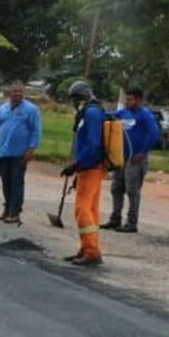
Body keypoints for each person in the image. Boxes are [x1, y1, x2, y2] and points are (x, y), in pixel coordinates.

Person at [102, 86, 160, 233]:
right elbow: (110, 116)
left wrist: (142, 152)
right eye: (126, 99)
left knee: (132, 190)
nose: (127, 102)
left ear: (139, 100)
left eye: (130, 99)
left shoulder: (144, 115)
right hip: (121, 157)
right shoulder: (123, 113)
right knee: (116, 187)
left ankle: (132, 222)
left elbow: (153, 134)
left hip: (136, 159)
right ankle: (115, 218)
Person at [0, 80, 42, 224]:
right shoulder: (2, 110)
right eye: (15, 92)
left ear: (24, 93)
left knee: (16, 182)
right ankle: (7, 208)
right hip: (3, 153)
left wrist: (31, 148)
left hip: (19, 154)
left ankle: (15, 213)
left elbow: (36, 131)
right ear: (10, 93)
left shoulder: (31, 110)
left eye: (21, 92)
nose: (18, 94)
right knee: (6, 182)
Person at [62, 80, 106, 267]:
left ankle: (91, 251)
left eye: (75, 99)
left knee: (82, 210)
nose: (74, 103)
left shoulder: (92, 113)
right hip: (88, 167)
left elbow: (93, 143)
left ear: (82, 97)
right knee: (91, 210)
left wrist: (77, 164)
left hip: (91, 166)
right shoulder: (89, 112)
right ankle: (87, 248)